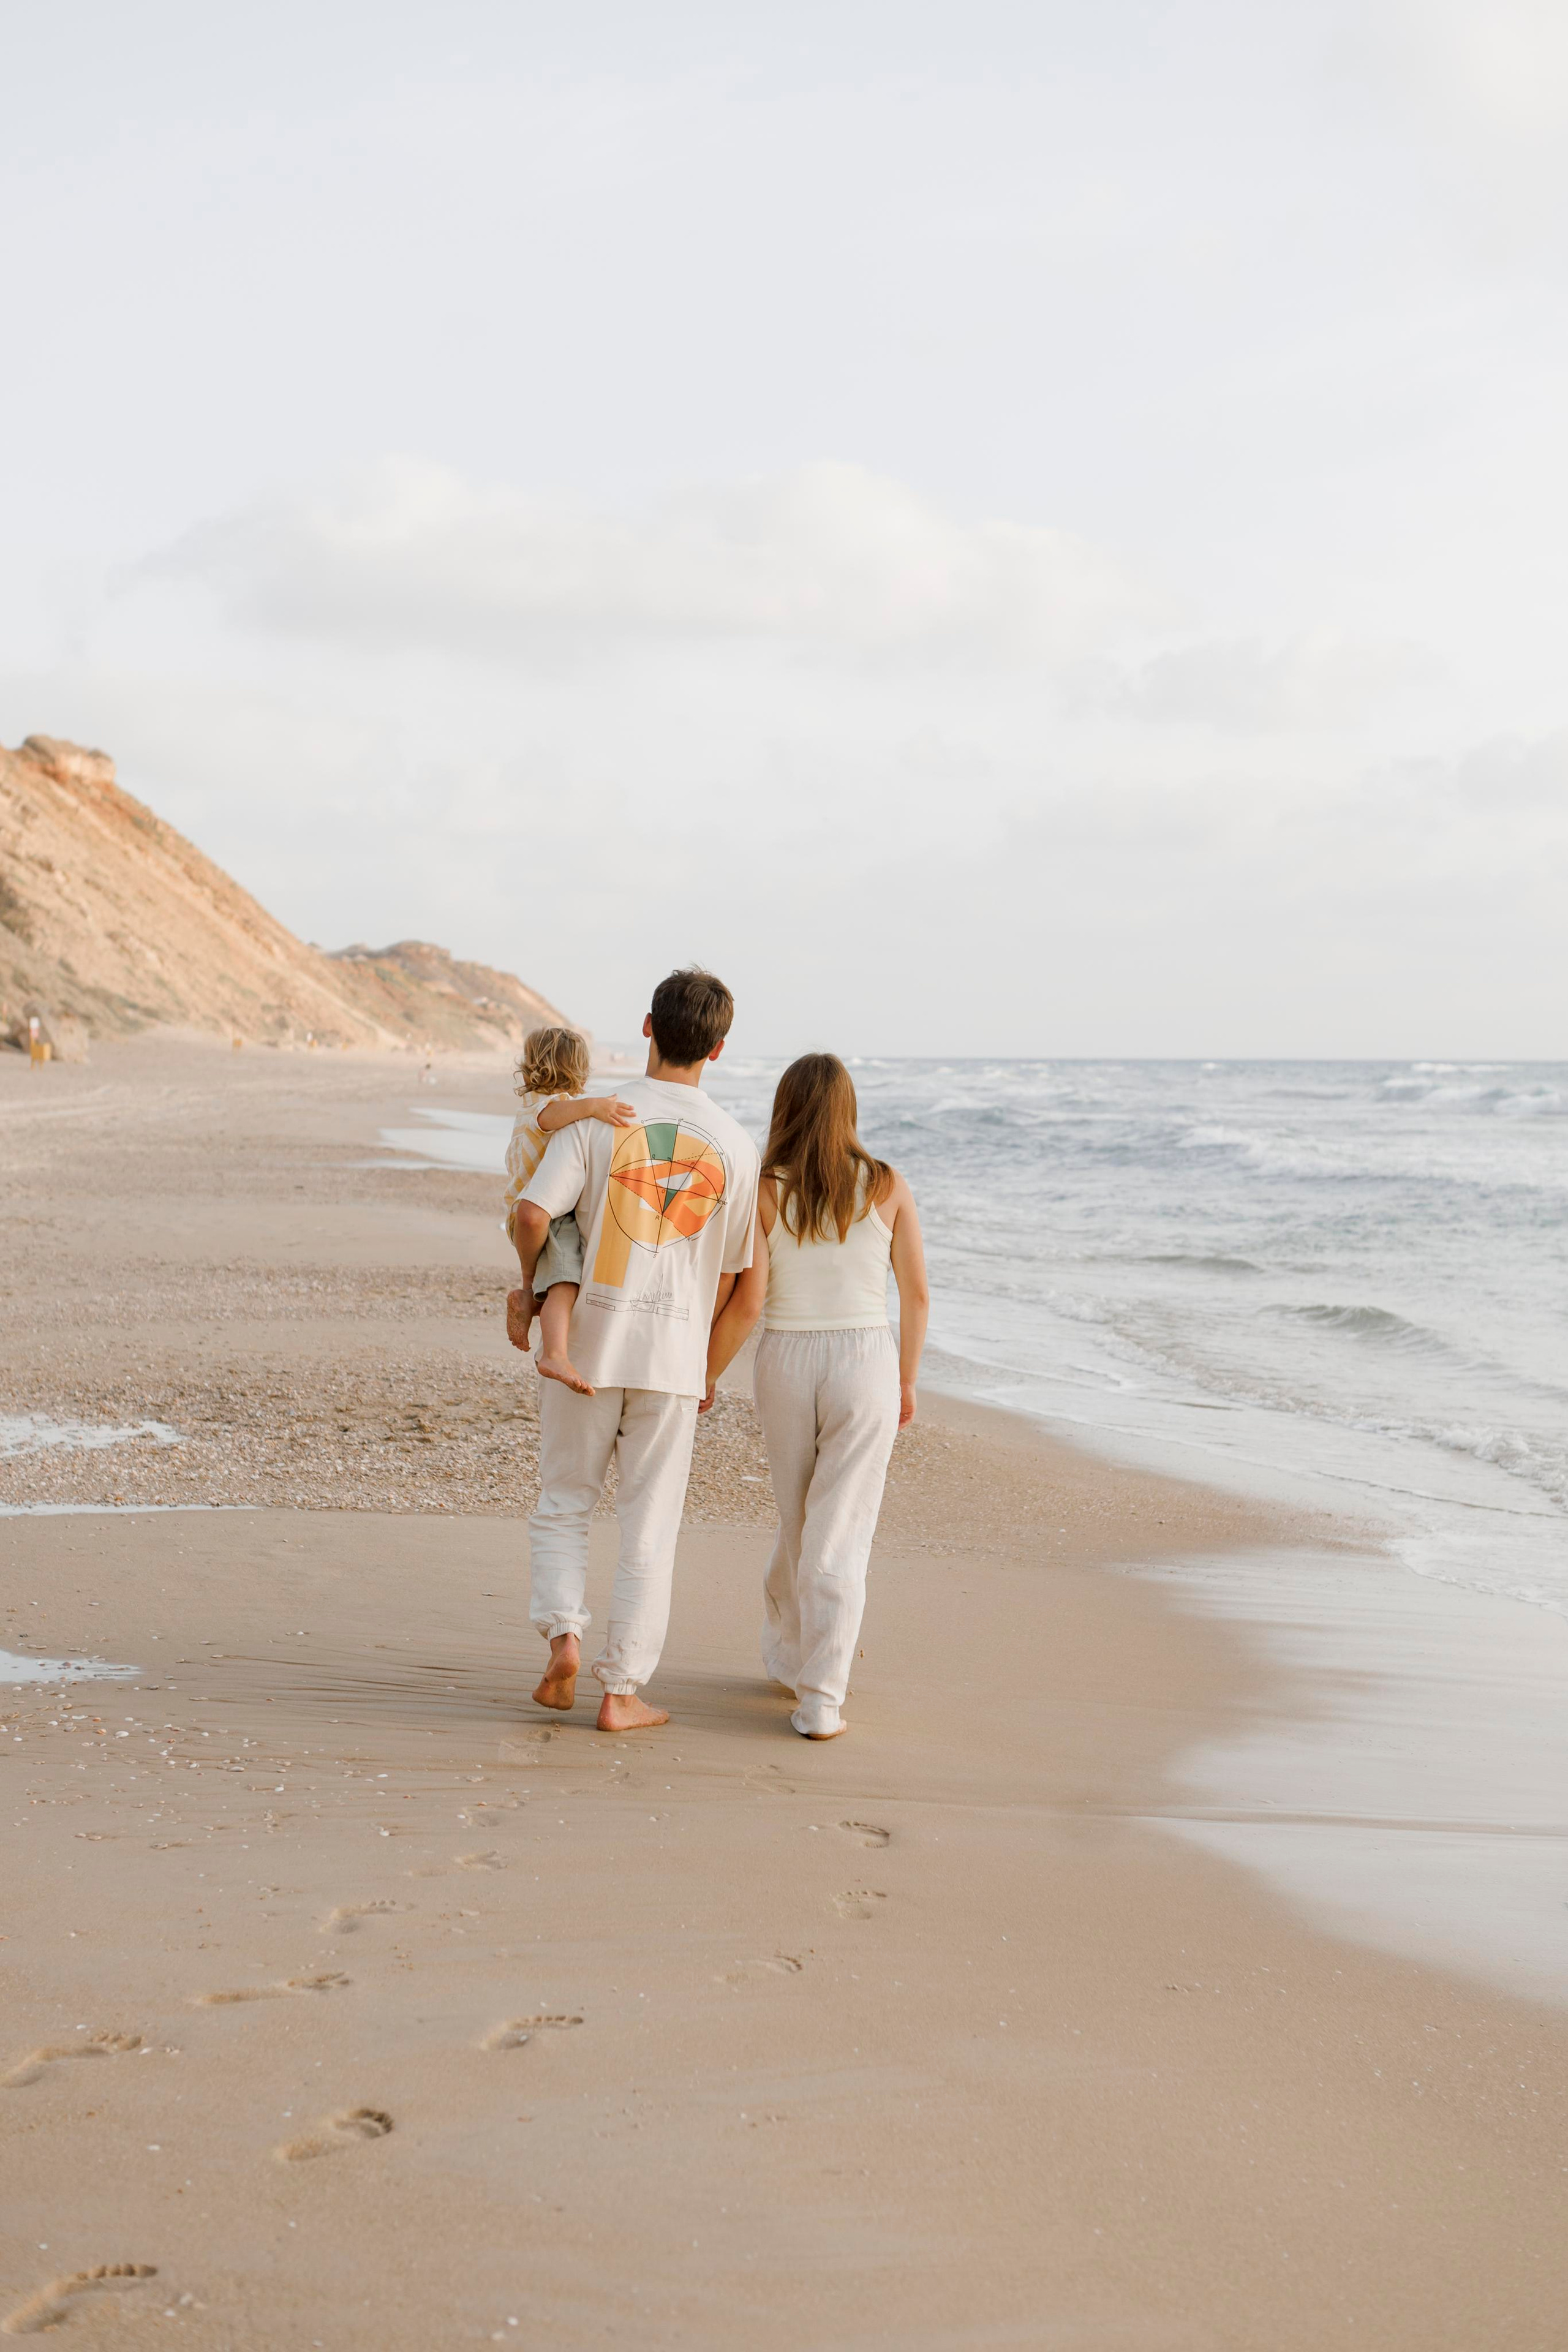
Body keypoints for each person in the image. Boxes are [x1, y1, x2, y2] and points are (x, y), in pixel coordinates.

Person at [507, 969, 760, 1733]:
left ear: (648, 1028)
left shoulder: (595, 1121)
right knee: (650, 1529)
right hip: (672, 1362)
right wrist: (702, 1369)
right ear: (717, 1048)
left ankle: (564, 1639)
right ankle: (621, 1694)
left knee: (564, 1504)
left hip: (583, 1346)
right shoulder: (739, 1148)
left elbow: (530, 1213)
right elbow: (730, 1277)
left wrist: (529, 1287)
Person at [748, 1053, 929, 1740]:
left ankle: (801, 1668)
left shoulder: (768, 1188)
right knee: (839, 1532)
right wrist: (906, 1378)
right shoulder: (886, 1183)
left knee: (801, 1523)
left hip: (786, 1357)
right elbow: (915, 1294)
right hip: (864, 1358)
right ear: (847, 1109)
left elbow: (749, 1295)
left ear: (787, 1108)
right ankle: (816, 1691)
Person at [502, 1025, 636, 1395]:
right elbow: (553, 1119)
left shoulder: (531, 1105)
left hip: (528, 1212)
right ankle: (555, 1354)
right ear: (578, 1068)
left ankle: (528, 1302)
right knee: (565, 1282)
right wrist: (594, 1106)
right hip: (547, 1213)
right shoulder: (549, 1108)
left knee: (554, 1278)